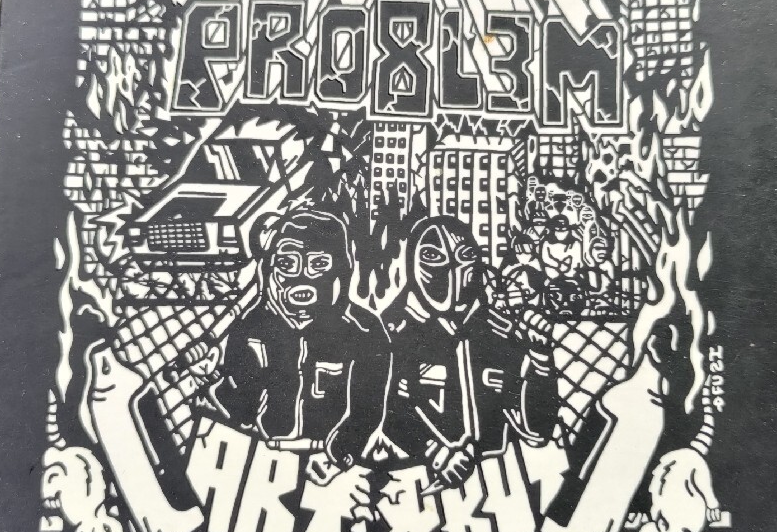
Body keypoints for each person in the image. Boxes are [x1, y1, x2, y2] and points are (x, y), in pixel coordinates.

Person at [380, 216, 558, 490]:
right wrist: (434, 451)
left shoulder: (501, 332)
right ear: (412, 264)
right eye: (432, 256)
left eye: (464, 255)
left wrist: (541, 359)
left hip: (498, 483)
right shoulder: (391, 333)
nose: (451, 267)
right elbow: (382, 410)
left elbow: (537, 430)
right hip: (412, 485)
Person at [210, 210, 390, 475]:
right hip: (262, 459)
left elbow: (366, 410)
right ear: (270, 270)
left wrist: (337, 455)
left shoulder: (364, 330)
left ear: (342, 268)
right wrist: (213, 381)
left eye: (318, 264)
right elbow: (240, 410)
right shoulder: (250, 328)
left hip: (330, 464)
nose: (302, 278)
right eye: (287, 264)